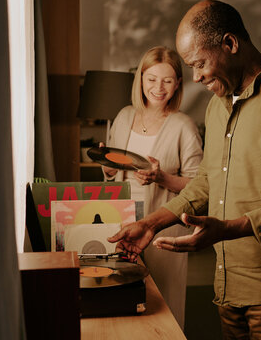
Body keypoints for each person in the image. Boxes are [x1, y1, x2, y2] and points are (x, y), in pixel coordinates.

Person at [108, 0, 261, 339]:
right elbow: (207, 182)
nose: (196, 77)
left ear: (230, 44)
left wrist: (228, 228)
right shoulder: (217, 107)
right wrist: (150, 224)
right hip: (229, 284)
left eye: (199, 63)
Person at [101, 45, 203, 329]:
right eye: (152, 79)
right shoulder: (123, 116)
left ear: (178, 84)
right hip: (120, 223)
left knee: (163, 305)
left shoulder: (184, 125)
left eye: (168, 80)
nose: (159, 88)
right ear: (141, 79)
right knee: (120, 299)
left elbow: (198, 185)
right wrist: (106, 164)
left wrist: (161, 177)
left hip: (163, 229)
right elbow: (112, 172)